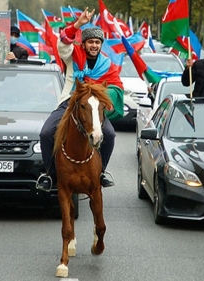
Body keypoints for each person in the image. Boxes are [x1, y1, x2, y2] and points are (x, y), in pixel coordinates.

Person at [38, 7, 124, 189]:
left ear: (101, 45)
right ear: (83, 44)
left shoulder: (108, 64)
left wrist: (102, 97)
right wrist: (78, 24)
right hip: (69, 104)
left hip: (93, 107)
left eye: (97, 42)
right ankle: (50, 175)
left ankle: (101, 172)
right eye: (91, 42)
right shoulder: (72, 55)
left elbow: (117, 87)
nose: (94, 45)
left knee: (109, 134)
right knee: (45, 133)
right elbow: (62, 43)